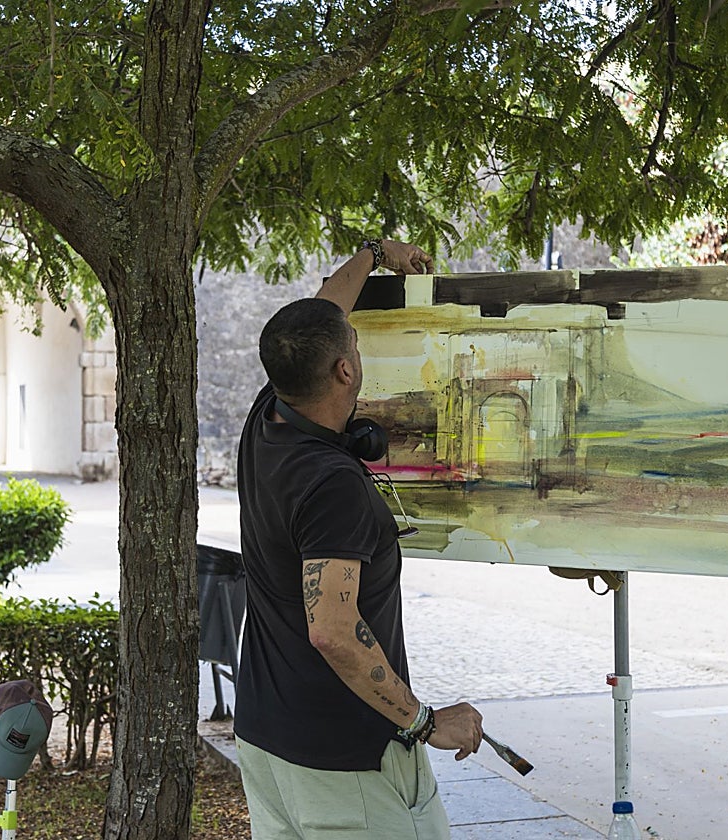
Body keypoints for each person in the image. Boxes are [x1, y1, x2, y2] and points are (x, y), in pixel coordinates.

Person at [235, 238, 485, 839]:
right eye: (353, 343)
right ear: (346, 369)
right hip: (343, 757)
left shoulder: (268, 413)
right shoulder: (335, 485)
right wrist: (425, 723)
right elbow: (332, 629)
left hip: (268, 737)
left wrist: (373, 253)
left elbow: (323, 313)